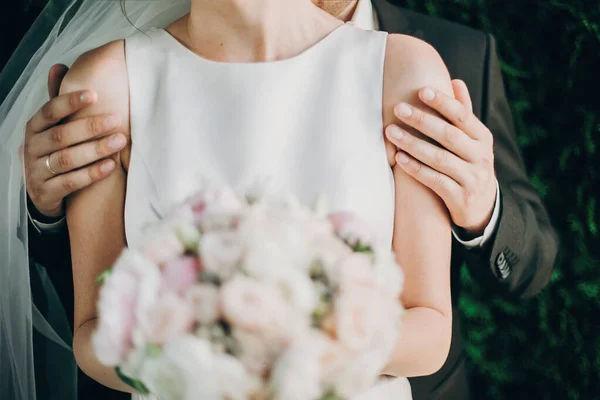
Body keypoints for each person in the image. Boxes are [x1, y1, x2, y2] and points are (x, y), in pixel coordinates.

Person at [0, 0, 559, 399]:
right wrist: (205, 361)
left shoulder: (410, 69)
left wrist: (287, 348)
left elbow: (432, 327)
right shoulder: (105, 84)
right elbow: (93, 333)